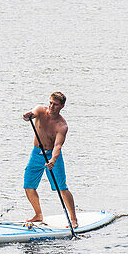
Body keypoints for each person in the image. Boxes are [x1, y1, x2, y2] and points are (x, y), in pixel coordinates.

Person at [22, 91, 78, 226]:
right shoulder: (40, 111)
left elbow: (58, 146)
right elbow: (32, 113)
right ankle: (38, 214)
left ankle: (73, 219)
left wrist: (53, 160)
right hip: (36, 154)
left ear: (62, 106)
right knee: (28, 186)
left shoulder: (62, 125)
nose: (52, 107)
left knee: (61, 188)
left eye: (56, 105)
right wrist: (28, 115)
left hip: (52, 155)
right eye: (51, 103)